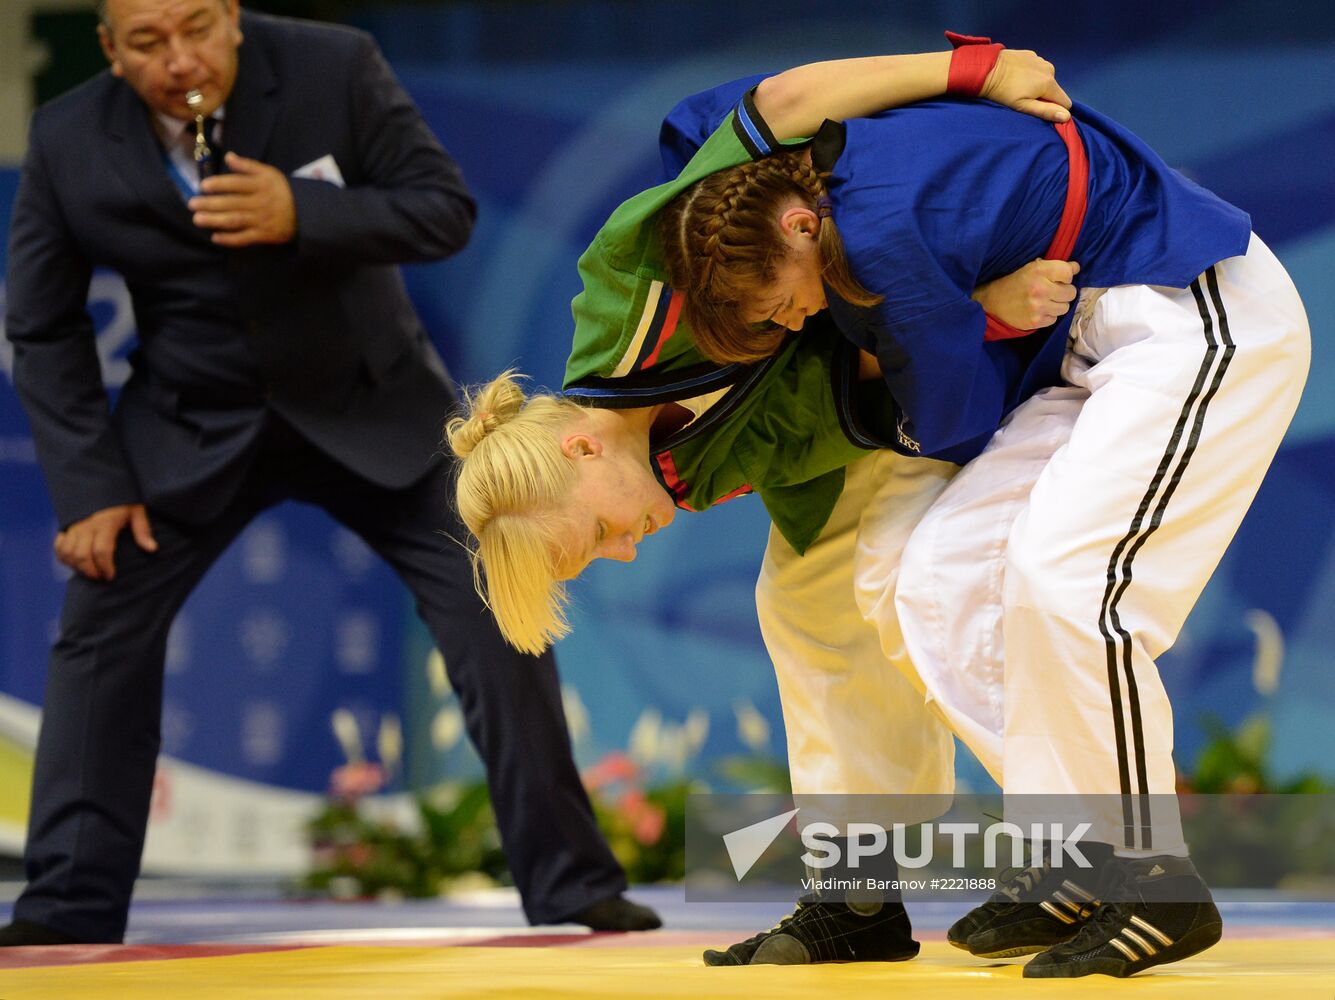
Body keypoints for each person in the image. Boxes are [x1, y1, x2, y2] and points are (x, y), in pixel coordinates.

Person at [651, 33, 1310, 978]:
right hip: (1085, 346)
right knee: (937, 576)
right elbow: (718, 111)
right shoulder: (760, 175)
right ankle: (1072, 860)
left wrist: (961, 316)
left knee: (1068, 583)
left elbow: (952, 422)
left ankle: (1149, 876)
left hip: (1195, 307)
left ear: (798, 230)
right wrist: (976, 301)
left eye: (776, 306)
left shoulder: (870, 243)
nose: (788, 324)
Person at [0, 0, 658, 946]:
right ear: (108, 49)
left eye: (195, 28)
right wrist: (90, 488)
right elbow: (45, 324)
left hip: (377, 407)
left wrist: (301, 210)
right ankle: (67, 906)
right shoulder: (68, 135)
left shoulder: (333, 65)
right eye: (146, 42)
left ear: (231, 18)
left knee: (498, 615)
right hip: (187, 424)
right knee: (98, 629)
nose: (177, 57)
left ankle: (573, 886)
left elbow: (443, 211)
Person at [449, 43, 1080, 968]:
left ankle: (1076, 847)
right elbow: (859, 396)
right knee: (805, 602)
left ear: (578, 445)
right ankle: (856, 900)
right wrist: (973, 315)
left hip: (960, 188)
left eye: (590, 539)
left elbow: (784, 104)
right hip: (934, 347)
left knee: (913, 578)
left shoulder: (627, 288)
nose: (621, 553)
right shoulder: (685, 474)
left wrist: (976, 71)